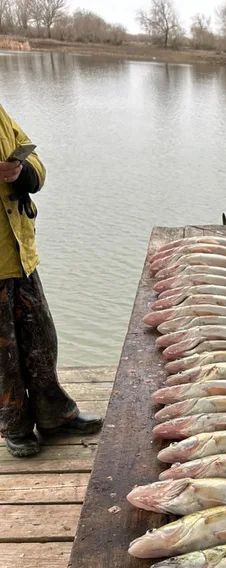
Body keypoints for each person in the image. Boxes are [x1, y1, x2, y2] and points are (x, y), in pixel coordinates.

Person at [0, 104, 103, 458]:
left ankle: (54, 416)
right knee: (4, 356)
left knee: (41, 340)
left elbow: (36, 163)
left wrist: (21, 171)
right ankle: (15, 427)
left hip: (19, 253)